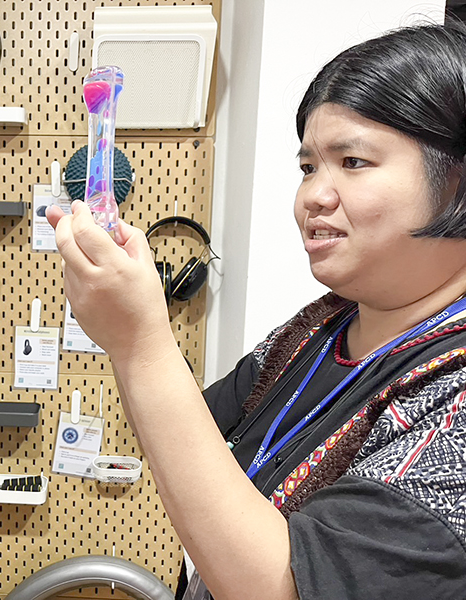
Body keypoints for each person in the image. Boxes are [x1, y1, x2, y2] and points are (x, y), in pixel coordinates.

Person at [46, 23, 466, 600]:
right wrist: (125, 326)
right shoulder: (320, 328)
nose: (313, 196)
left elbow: (285, 589)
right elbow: (186, 436)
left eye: (353, 161)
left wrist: (140, 340)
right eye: (309, 167)